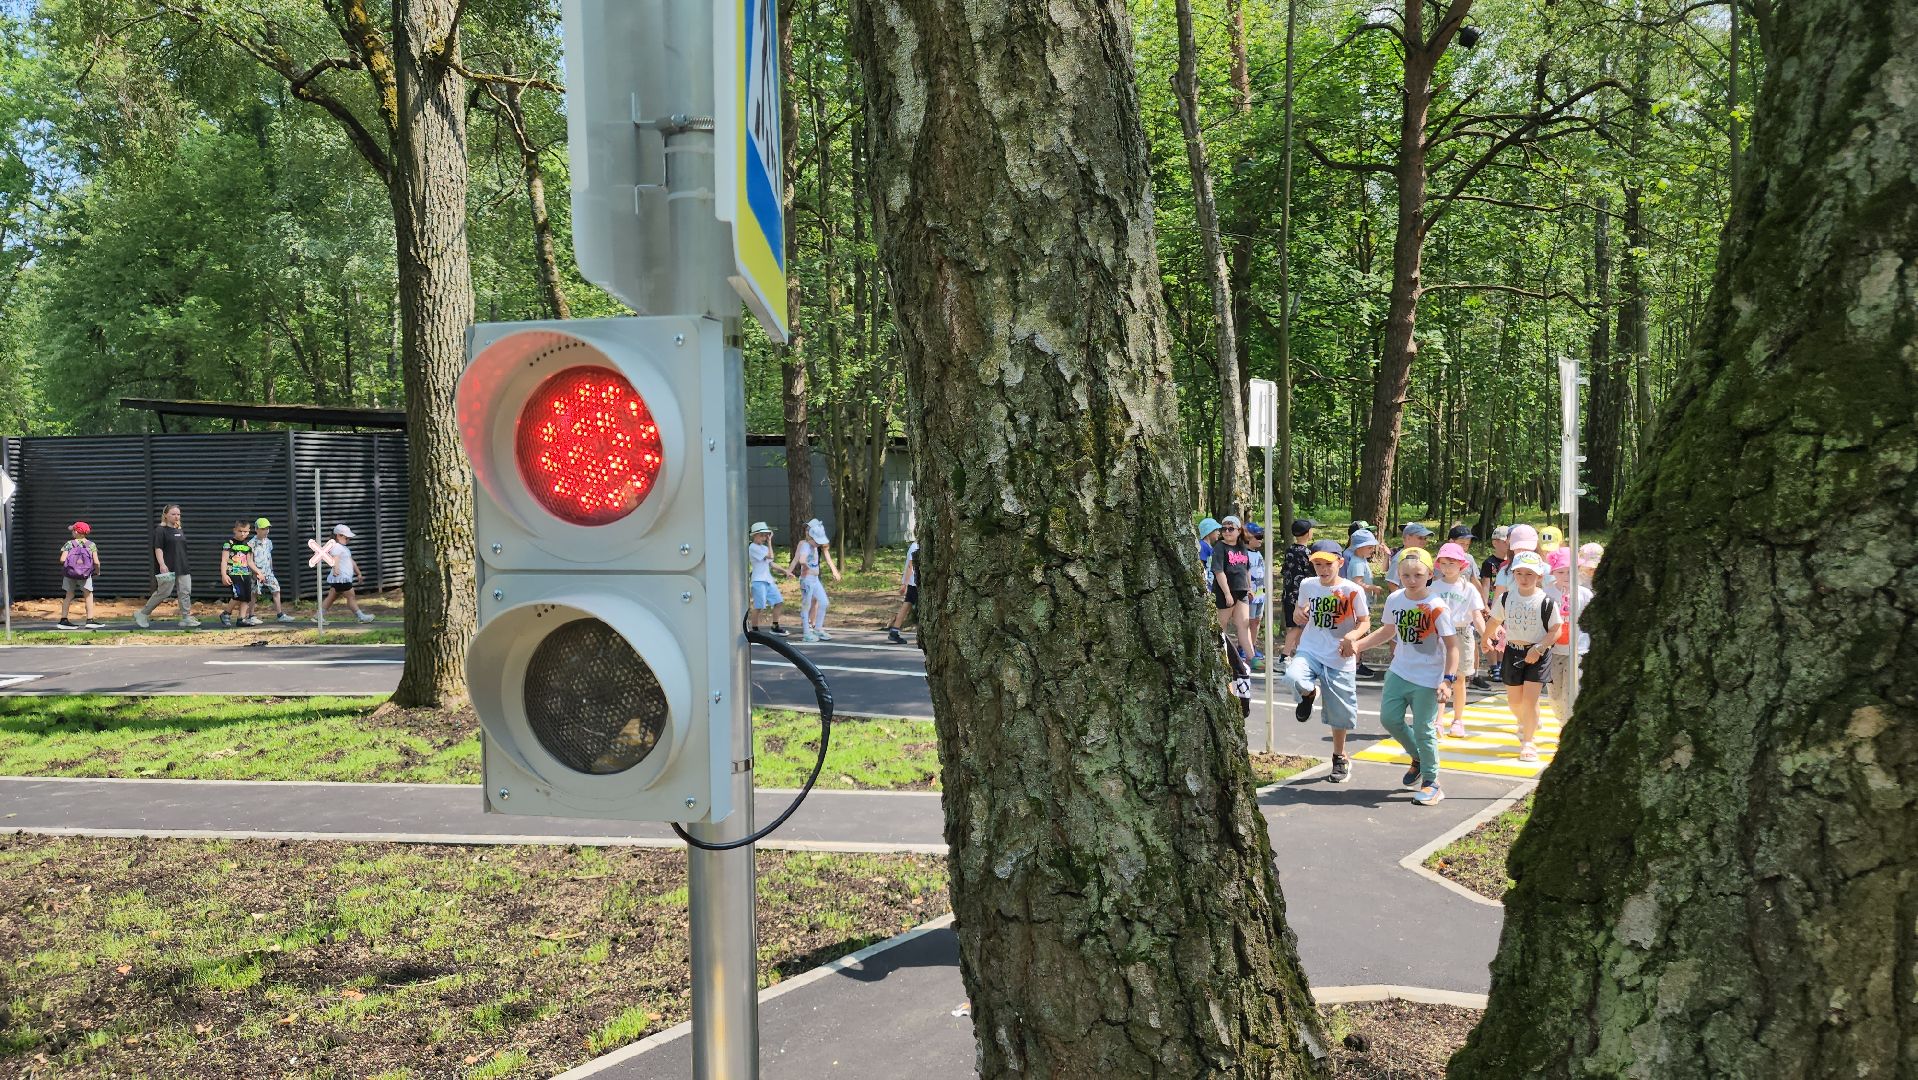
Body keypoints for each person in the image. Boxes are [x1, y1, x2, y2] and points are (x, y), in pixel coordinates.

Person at [1346, 548, 1458, 806]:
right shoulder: (1395, 599)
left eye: (1418, 575)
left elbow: (1452, 646)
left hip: (1428, 677)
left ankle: (1432, 781)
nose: (1412, 579)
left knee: (1424, 729)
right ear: (1399, 574)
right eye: (1406, 575)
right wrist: (1358, 646)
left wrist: (1448, 679)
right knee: (1390, 719)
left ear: (1430, 574)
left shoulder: (1436, 606)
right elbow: (1387, 631)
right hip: (1399, 671)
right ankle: (1417, 758)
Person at [1287, 539, 1371, 784]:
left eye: (1328, 564)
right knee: (1293, 676)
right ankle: (1309, 693)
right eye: (1318, 564)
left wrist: (1351, 636)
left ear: (1340, 562)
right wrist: (1297, 613)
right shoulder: (1308, 584)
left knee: (1339, 714)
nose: (1323, 570)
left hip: (1340, 655)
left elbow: (1364, 621)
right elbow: (1298, 612)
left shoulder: (1352, 590)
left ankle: (1339, 756)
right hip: (1311, 648)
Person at [1482, 550, 1560, 762]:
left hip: (1537, 653)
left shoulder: (1546, 601)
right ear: (1513, 574)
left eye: (1530, 574)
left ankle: (1528, 741)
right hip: (1512, 651)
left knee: (1530, 699)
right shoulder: (1506, 598)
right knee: (1515, 702)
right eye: (1520, 573)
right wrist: (1485, 638)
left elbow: (1556, 630)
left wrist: (1539, 648)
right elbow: (1495, 621)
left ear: (1539, 576)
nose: (1524, 579)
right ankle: (1526, 722)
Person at [1432, 542, 1487, 737]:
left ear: (1462, 565)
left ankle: (1457, 720)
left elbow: (1477, 616)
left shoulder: (1469, 588)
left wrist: (1486, 636)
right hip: (1439, 634)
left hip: (1462, 633)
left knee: (1459, 679)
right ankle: (1437, 720)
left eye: (1452, 563)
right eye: (1444, 563)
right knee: (1440, 677)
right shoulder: (1434, 587)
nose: (1447, 567)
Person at [1545, 547, 1593, 723]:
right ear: (1553, 572)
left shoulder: (1584, 594)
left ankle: (1568, 726)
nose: (1566, 575)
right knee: (1555, 693)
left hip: (1578, 650)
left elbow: (1592, 618)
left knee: (1572, 691)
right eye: (1561, 571)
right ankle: (1561, 720)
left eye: (1570, 571)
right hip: (1554, 650)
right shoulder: (1547, 593)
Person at [134, 504, 198, 629]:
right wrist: (162, 564)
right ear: (166, 515)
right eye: (173, 514)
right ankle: (142, 614)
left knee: (185, 592)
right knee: (163, 592)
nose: (176, 516)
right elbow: (158, 548)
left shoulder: (179, 529)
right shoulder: (160, 530)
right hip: (168, 567)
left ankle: (186, 617)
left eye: (178, 514)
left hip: (183, 566)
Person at [1208, 516, 1258, 669]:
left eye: (1231, 529)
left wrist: (1249, 587)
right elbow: (1218, 571)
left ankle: (1252, 657)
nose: (1227, 532)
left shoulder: (1242, 546)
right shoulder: (1220, 547)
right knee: (1220, 626)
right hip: (1225, 592)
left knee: (1244, 624)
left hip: (1241, 591)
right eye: (1224, 529)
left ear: (1238, 530)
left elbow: (1246, 569)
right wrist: (1227, 593)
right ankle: (1218, 657)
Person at [790, 518, 841, 642]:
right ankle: (807, 633)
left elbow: (825, 556)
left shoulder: (814, 547)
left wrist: (834, 570)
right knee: (806, 606)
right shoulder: (806, 546)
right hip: (807, 580)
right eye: (817, 541)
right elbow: (801, 560)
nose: (819, 544)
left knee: (824, 602)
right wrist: (805, 568)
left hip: (815, 579)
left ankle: (818, 629)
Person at [319, 524, 376, 623]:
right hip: (341, 577)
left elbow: (351, 562)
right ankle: (361, 616)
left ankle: (318, 616)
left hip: (341, 578)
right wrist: (336, 569)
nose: (348, 540)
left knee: (332, 597)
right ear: (338, 536)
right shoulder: (336, 547)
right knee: (351, 596)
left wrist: (358, 573)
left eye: (349, 538)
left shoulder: (344, 548)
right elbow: (335, 559)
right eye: (346, 538)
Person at [1278, 518, 1317, 661]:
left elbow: (1284, 571)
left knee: (1299, 627)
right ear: (1308, 533)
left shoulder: (1290, 550)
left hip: (1288, 594)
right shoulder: (1307, 553)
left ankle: (1301, 654)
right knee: (1296, 627)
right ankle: (1285, 655)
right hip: (1300, 596)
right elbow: (1311, 574)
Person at [55, 521, 104, 630]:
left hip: (70, 574)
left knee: (69, 595)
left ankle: (63, 620)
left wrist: (72, 566)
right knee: (88, 595)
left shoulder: (69, 544)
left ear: (76, 532)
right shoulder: (91, 544)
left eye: (73, 530)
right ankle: (90, 620)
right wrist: (97, 571)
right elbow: (96, 562)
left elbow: (62, 559)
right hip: (85, 574)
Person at [747, 522, 790, 637]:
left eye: (766, 535)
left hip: (768, 580)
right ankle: (754, 630)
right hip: (758, 581)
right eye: (762, 535)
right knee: (759, 606)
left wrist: (785, 571)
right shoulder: (752, 547)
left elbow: (771, 563)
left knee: (778, 602)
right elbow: (771, 556)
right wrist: (770, 542)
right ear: (754, 536)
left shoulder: (764, 548)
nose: (764, 538)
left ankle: (775, 626)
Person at [251, 518, 296, 623]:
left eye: (267, 528)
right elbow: (250, 560)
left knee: (276, 589)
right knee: (254, 593)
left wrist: (271, 568)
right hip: (257, 573)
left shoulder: (269, 542)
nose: (266, 531)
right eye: (263, 529)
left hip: (268, 572)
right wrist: (256, 572)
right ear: (256, 529)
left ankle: (280, 614)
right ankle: (251, 615)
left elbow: (269, 556)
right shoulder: (251, 543)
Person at [219, 519, 260, 627]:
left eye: (245, 531)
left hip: (246, 574)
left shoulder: (248, 546)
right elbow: (224, 560)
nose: (243, 534)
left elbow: (250, 562)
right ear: (234, 530)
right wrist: (224, 574)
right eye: (240, 531)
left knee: (246, 596)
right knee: (238, 595)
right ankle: (226, 613)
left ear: (249, 531)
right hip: (233, 574)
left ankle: (241, 619)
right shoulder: (228, 544)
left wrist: (258, 572)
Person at [887, 536, 919, 645]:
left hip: (913, 582)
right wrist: (904, 584)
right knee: (914, 606)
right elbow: (910, 566)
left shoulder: (914, 545)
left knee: (907, 605)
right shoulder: (916, 547)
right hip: (914, 583)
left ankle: (894, 630)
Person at [1244, 522, 1267, 667]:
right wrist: (1248, 588)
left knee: (1257, 621)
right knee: (1248, 621)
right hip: (1250, 594)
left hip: (1260, 593)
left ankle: (1252, 646)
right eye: (1258, 536)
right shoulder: (1244, 553)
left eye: (1261, 536)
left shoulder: (1258, 553)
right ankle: (1245, 649)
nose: (1260, 540)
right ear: (1248, 537)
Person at [1385, 522, 1435, 589]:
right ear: (1408, 538)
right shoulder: (1399, 559)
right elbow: (1392, 583)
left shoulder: (1421, 556)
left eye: (1425, 538)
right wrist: (1401, 599)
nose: (1423, 541)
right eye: (1420, 538)